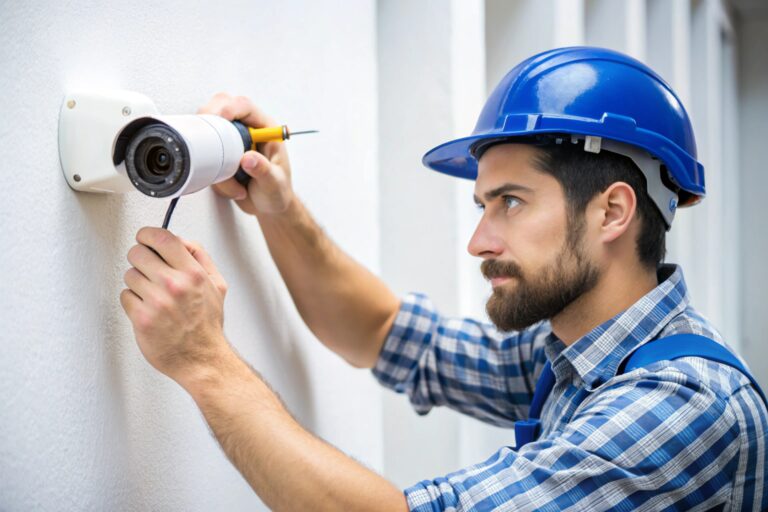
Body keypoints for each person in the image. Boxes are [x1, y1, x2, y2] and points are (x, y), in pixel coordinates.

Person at [119, 47, 767, 511]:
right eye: (482, 206)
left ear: (612, 211)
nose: (478, 241)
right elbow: (384, 331)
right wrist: (278, 207)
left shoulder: (684, 406)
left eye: (510, 202)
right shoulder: (572, 353)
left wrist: (205, 363)